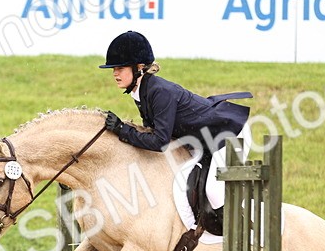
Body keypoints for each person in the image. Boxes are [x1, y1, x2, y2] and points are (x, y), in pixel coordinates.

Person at [100, 31, 251, 222]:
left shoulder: (159, 92)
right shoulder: (141, 91)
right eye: (113, 69)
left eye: (120, 68)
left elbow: (160, 141)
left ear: (138, 68)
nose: (115, 73)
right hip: (205, 140)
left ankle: (246, 234)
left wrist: (122, 130)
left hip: (229, 134)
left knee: (213, 191)